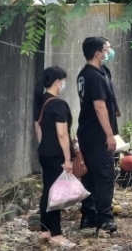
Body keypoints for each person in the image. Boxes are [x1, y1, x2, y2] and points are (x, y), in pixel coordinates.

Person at [76, 36, 119, 236]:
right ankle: (105, 219)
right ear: (98, 53)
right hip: (97, 135)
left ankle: (89, 215)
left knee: (90, 176)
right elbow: (99, 106)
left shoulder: (88, 74)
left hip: (86, 132)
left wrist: (115, 110)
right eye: (107, 49)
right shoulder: (94, 76)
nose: (110, 52)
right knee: (104, 176)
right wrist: (109, 134)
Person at [33, 66, 76, 248]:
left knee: (48, 192)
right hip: (56, 154)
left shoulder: (41, 102)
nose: (64, 84)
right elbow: (62, 134)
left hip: (44, 152)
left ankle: (45, 231)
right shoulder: (58, 105)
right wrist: (67, 159)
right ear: (58, 82)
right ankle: (56, 234)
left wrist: (43, 147)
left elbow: (39, 130)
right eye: (63, 81)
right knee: (56, 194)